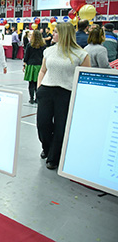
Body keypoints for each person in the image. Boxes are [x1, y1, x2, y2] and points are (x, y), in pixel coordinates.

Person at [36, 22, 90, 170]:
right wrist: (39, 86)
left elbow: (85, 77)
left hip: (66, 93)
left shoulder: (81, 54)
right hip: (46, 91)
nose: (52, 34)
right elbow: (42, 70)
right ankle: (47, 148)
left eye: (55, 32)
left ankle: (54, 157)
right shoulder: (49, 51)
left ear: (64, 34)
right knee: (43, 124)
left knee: (61, 127)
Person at [23, 30, 45, 104]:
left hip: (31, 66)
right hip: (39, 66)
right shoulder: (43, 45)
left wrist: (24, 64)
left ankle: (31, 98)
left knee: (31, 84)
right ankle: (37, 98)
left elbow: (26, 56)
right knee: (38, 83)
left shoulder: (29, 45)